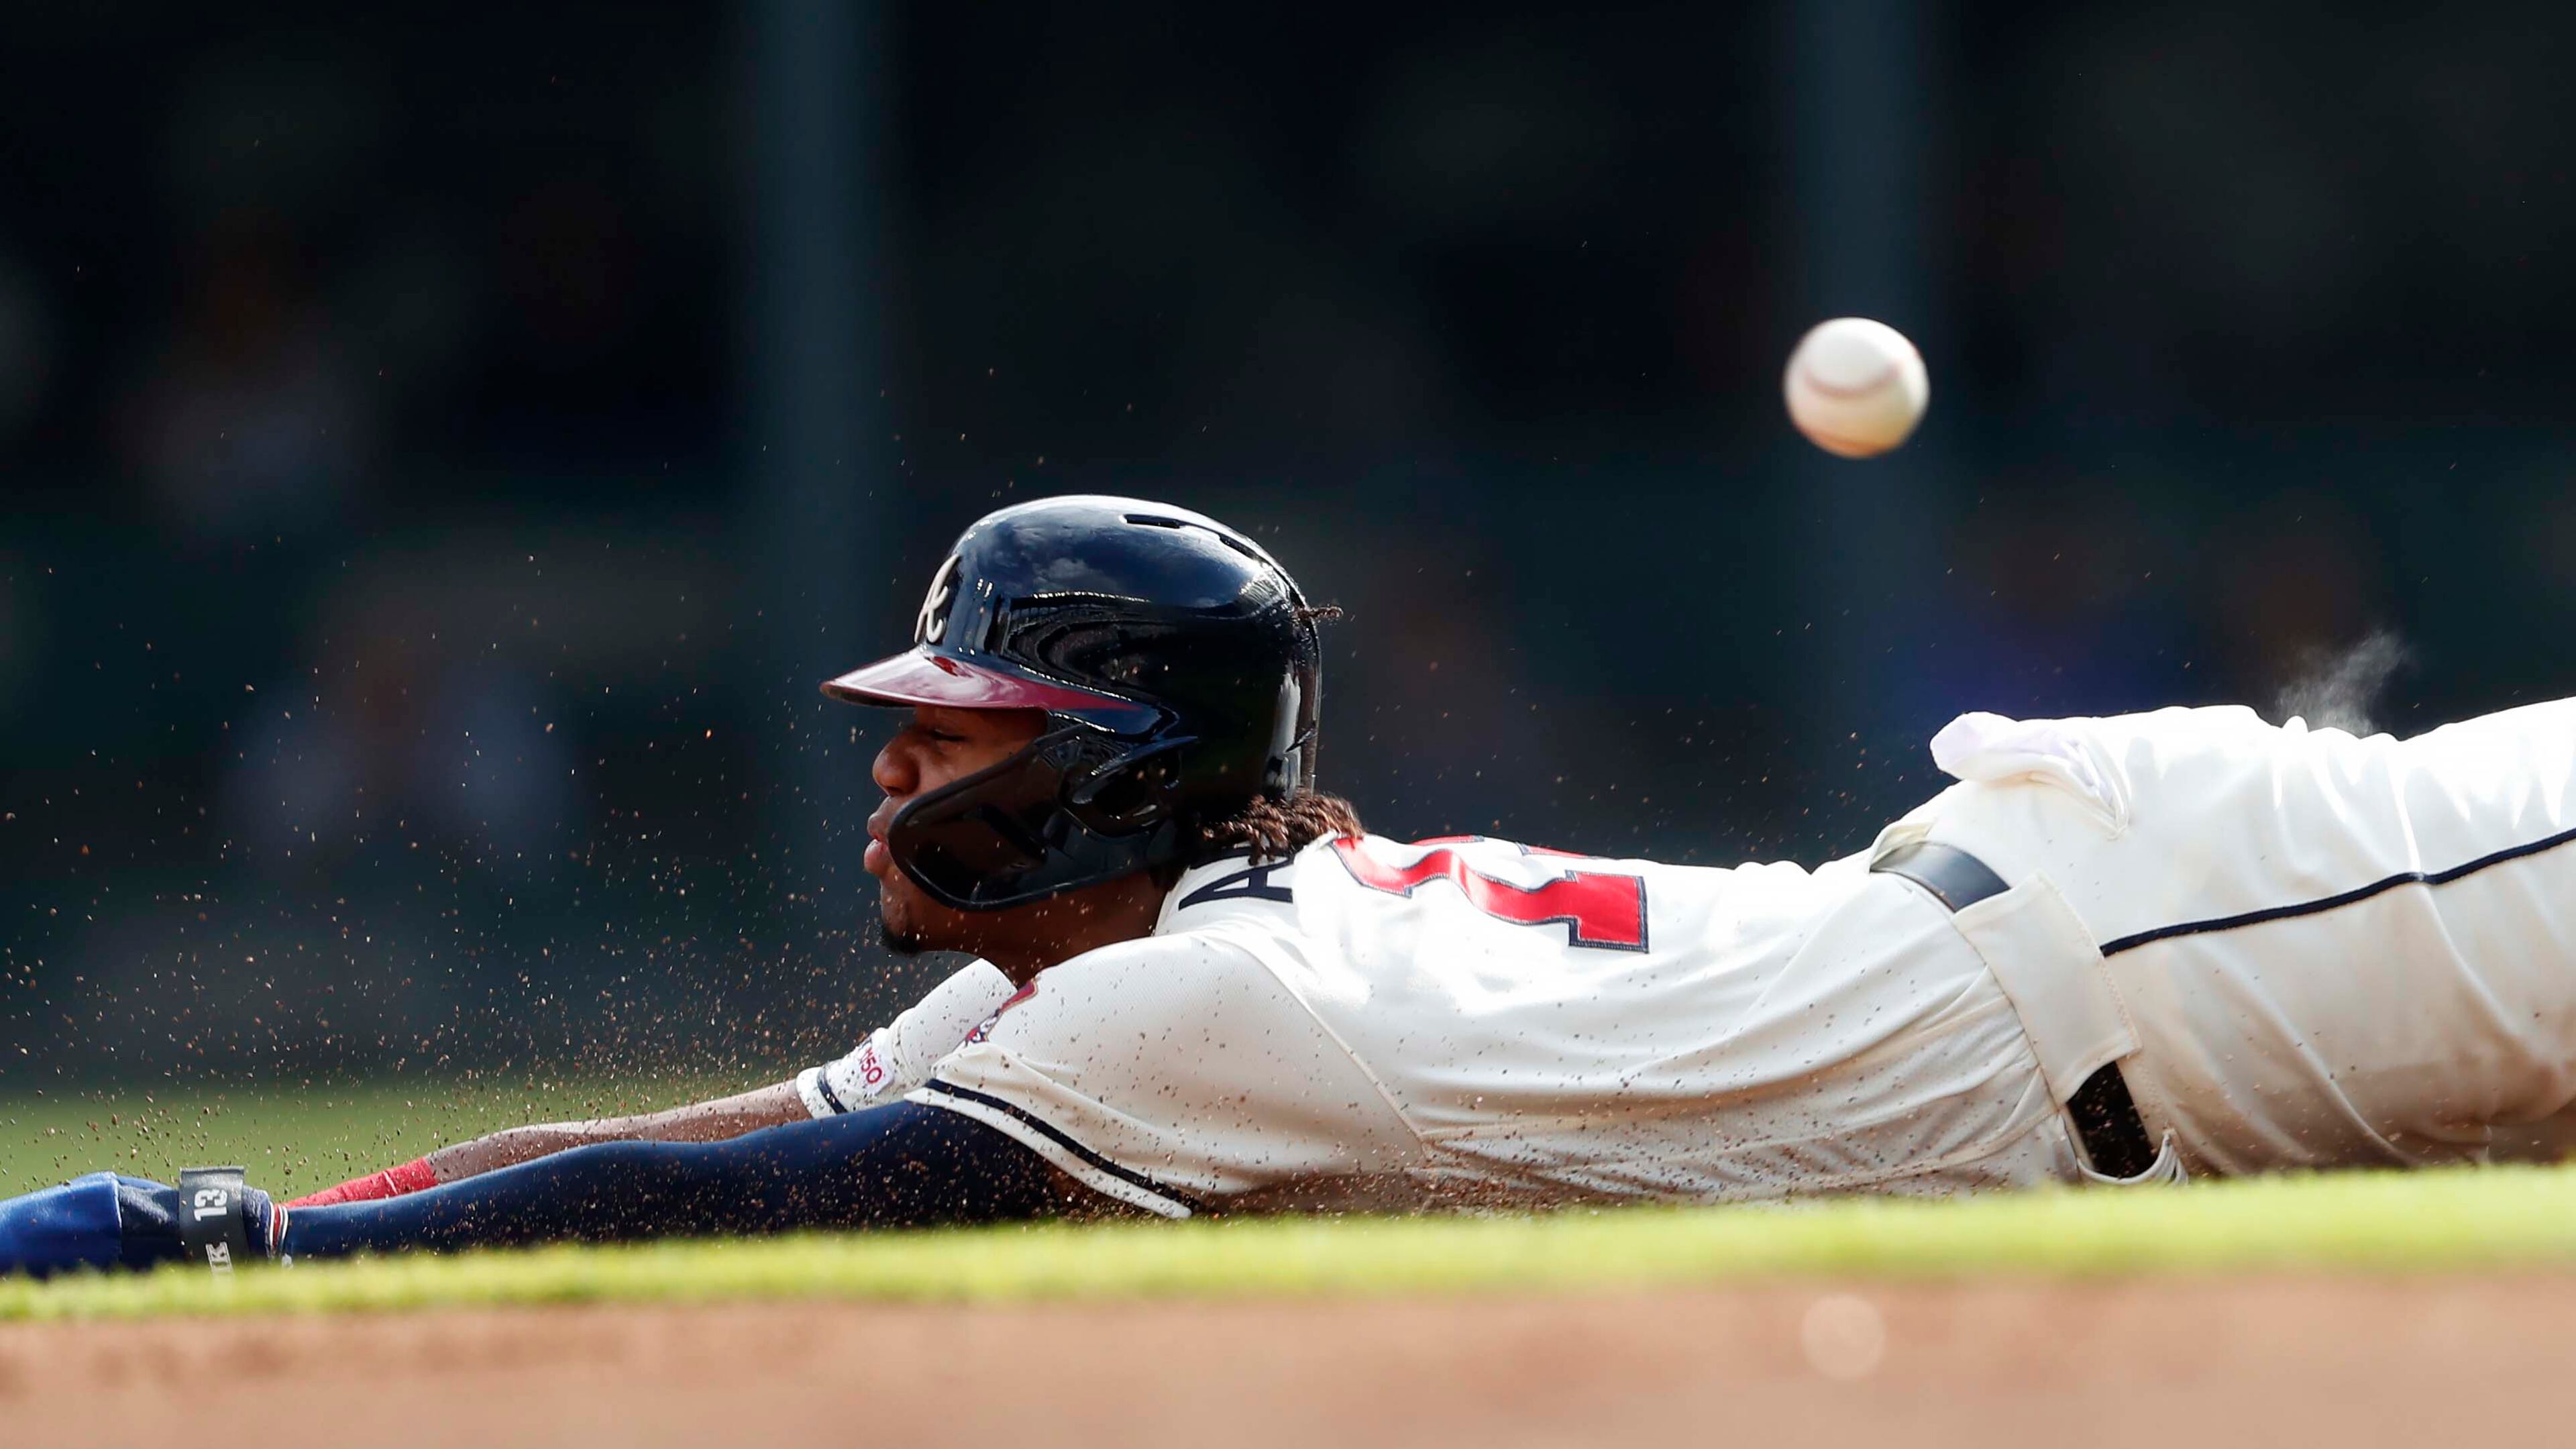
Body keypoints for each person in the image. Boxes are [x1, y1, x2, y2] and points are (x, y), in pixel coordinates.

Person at [10, 494, 2576, 1277]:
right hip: (2123, 964)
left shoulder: (1195, 1019)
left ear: (1128, 779)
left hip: (2201, 962)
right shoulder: (1175, 963)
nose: (899, 791)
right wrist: (262, 1213)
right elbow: (719, 1128)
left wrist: (205, 1252)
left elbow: (744, 1209)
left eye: (963, 739)